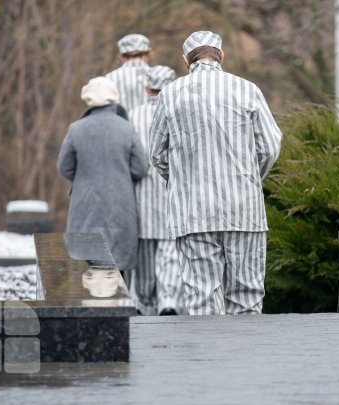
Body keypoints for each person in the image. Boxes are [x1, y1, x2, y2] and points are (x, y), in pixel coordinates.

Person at [149, 31, 282, 315]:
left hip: (192, 212)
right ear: (221, 55)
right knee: (247, 293)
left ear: (186, 60)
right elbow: (270, 147)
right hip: (244, 210)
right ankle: (245, 357)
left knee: (201, 295)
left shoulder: (170, 94)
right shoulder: (248, 89)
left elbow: (157, 154)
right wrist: (249, 179)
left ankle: (208, 357)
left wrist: (182, 180)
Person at [57, 76, 148, 291]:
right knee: (117, 268)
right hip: (120, 207)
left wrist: (83, 179)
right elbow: (140, 168)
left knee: (87, 264)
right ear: (113, 99)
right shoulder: (126, 128)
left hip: (84, 207)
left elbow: (64, 167)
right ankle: (119, 314)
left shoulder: (76, 129)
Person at [129, 65, 181, 316]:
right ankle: (168, 299)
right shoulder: (179, 112)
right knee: (170, 247)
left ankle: (145, 302)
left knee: (146, 251)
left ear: (146, 87)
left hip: (141, 194)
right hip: (173, 190)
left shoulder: (132, 116)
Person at [105, 33, 152, 110]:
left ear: (121, 57)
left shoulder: (109, 78)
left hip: (119, 121)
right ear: (147, 54)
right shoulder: (159, 75)